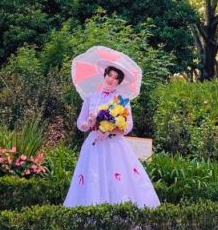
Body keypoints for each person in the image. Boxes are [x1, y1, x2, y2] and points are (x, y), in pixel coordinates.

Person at [63, 66, 160, 208]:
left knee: (117, 178)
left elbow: (128, 126)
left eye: (116, 78)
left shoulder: (122, 101)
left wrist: (110, 130)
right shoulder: (91, 98)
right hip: (95, 144)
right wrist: (89, 124)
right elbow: (80, 124)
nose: (111, 80)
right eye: (109, 75)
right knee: (94, 177)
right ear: (104, 75)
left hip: (115, 145)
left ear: (119, 82)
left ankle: (120, 214)